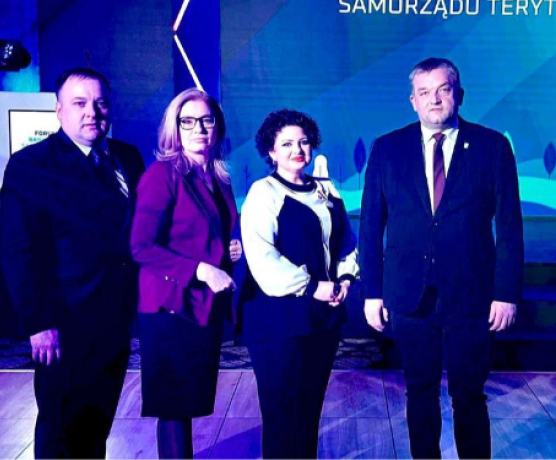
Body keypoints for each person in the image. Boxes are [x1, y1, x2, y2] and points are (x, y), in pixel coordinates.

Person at [359, 57, 524, 459]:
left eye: (443, 90)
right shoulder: (387, 148)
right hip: (408, 296)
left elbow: (510, 227)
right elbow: (371, 226)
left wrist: (506, 294)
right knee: (419, 393)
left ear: (459, 95)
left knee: (469, 395)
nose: (434, 100)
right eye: (424, 92)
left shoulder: (492, 147)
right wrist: (372, 292)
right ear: (412, 101)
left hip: (471, 296)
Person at [0, 67, 145, 458]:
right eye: (79, 103)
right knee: (59, 429)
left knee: (97, 426)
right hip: (63, 324)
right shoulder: (32, 164)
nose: (91, 112)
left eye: (100, 103)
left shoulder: (127, 158)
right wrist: (38, 323)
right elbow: (18, 251)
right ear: (59, 109)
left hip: (114, 320)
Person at [130, 88, 243, 459]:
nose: (199, 129)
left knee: (190, 402)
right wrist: (202, 269)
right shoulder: (162, 174)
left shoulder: (218, 177)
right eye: (188, 121)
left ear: (217, 126)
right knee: (174, 408)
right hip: (170, 307)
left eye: (206, 120)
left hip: (202, 308)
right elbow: (141, 246)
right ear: (174, 128)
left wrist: (228, 250)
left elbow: (201, 232)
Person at [240, 109, 358, 459]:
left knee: (309, 411)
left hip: (322, 319)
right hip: (278, 322)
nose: (297, 150)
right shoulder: (263, 193)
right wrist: (313, 287)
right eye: (287, 143)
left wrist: (345, 278)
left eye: (304, 142)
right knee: (282, 415)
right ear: (271, 151)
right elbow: (263, 260)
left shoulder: (326, 189)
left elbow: (346, 241)